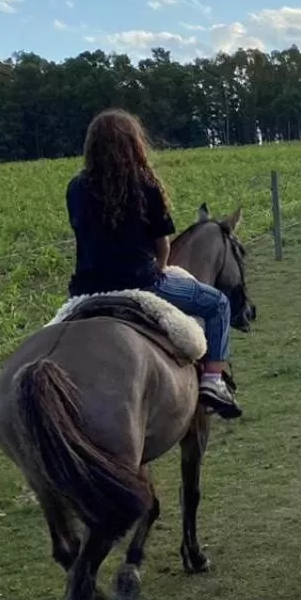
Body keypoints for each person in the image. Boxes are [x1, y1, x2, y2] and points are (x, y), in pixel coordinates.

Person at [67, 109, 241, 418]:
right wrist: (159, 268)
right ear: (134, 144)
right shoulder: (145, 184)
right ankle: (213, 380)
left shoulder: (76, 188)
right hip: (141, 282)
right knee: (217, 304)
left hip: (87, 291)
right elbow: (162, 244)